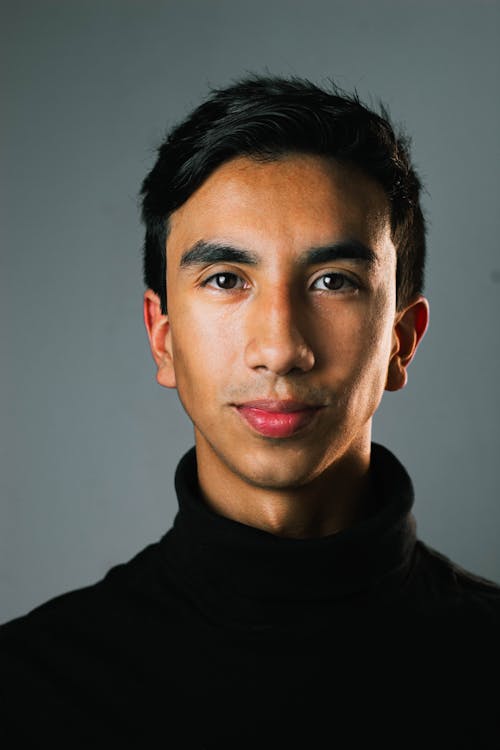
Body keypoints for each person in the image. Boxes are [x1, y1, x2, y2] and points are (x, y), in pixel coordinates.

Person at [2, 74, 499, 748]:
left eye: (333, 282)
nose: (280, 349)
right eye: (227, 280)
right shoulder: (30, 688)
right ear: (163, 335)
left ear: (400, 342)